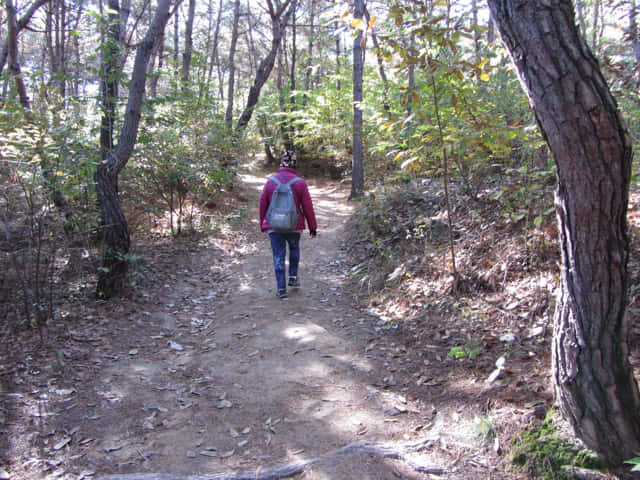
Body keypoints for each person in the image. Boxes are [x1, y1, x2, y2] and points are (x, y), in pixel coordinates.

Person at [259, 150, 317, 300]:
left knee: (278, 255)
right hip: (294, 225)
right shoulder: (300, 183)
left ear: (281, 163)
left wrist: (262, 223)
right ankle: (293, 276)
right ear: (295, 165)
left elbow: (262, 204)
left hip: (273, 226)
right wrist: (312, 227)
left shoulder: (271, 181)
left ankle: (281, 289)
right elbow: (307, 207)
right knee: (294, 249)